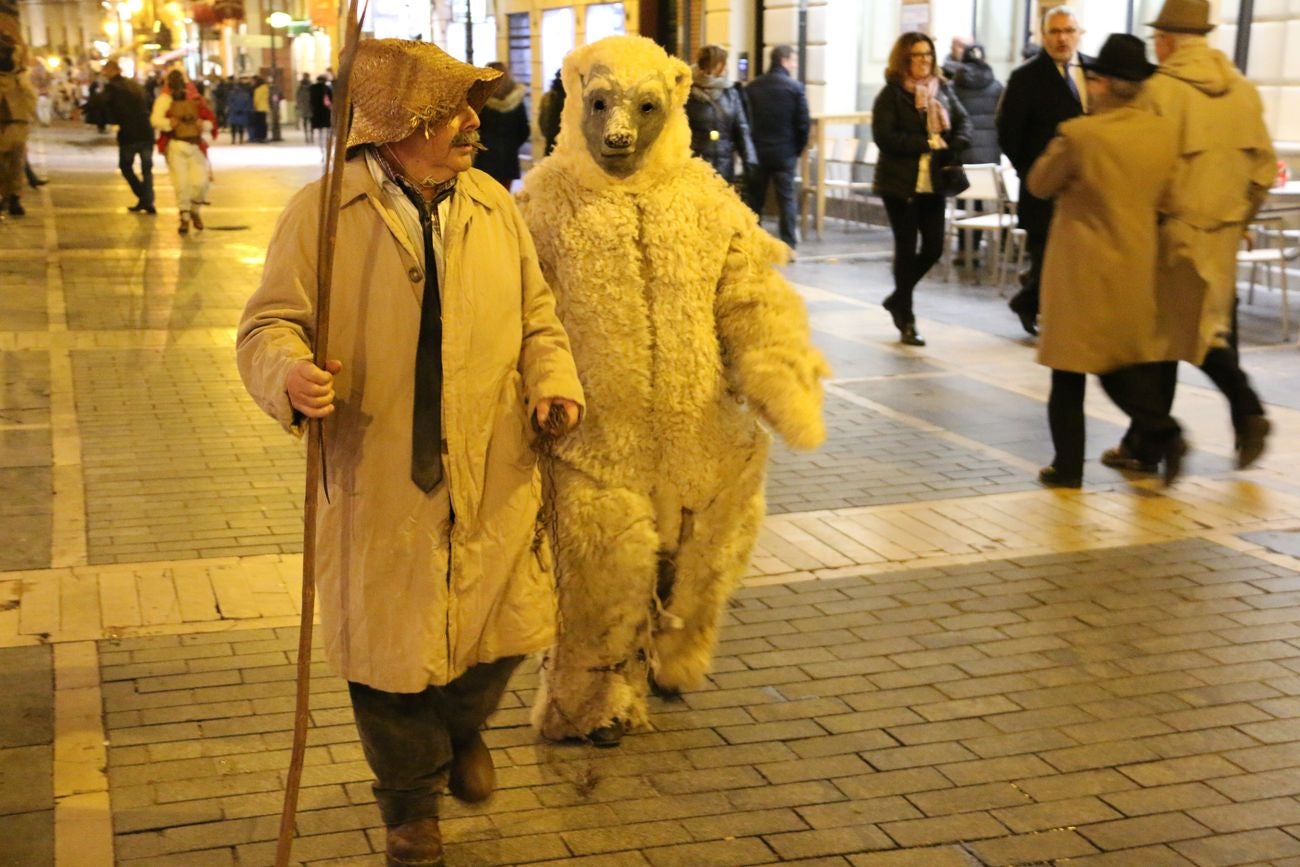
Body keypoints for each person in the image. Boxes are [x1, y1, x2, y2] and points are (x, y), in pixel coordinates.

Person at [236, 40, 584, 867]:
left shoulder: (495, 205)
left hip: (492, 464)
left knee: (503, 630)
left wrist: (554, 381)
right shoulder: (322, 214)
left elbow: (538, 315)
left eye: (469, 108)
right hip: (376, 471)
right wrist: (288, 374)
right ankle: (410, 810)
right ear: (395, 127)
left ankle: (461, 725)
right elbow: (266, 324)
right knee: (386, 653)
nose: (472, 124)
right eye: (450, 112)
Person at [518, 35, 827, 749]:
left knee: (688, 563)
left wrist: (775, 366)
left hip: (699, 431)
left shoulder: (704, 202)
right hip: (593, 434)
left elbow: (750, 291)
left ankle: (663, 655)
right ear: (575, 101)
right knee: (599, 568)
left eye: (643, 110)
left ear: (675, 101)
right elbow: (520, 312)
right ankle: (590, 695)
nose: (619, 131)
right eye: (600, 107)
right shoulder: (544, 207)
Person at [1028, 34, 1185, 488]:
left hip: (1081, 268)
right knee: (1119, 366)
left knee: (1068, 372)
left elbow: (1040, 182)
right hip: (1135, 263)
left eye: (1093, 78)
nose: (1088, 85)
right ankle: (1161, 431)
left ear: (1107, 85)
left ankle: (1068, 467)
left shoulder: (1082, 134)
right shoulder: (1162, 134)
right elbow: (1171, 196)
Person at [871, 31, 972, 347]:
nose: (925, 60)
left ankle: (897, 298)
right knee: (906, 247)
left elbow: (964, 122)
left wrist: (957, 142)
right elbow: (885, 138)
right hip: (899, 184)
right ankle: (907, 319)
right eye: (917, 55)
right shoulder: (890, 95)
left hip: (934, 181)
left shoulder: (942, 90)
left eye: (928, 54)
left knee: (934, 248)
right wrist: (926, 142)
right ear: (904, 59)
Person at [996, 5, 1089, 336]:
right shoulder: (1026, 78)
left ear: (1079, 34)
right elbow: (1008, 132)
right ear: (1043, 36)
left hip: (1085, 188)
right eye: (1054, 31)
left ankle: (1031, 299)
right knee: (1047, 254)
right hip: (1044, 184)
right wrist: (1033, 172)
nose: (1062, 38)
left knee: (1071, 258)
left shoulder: (1093, 72)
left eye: (1068, 31)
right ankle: (1034, 304)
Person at [744, 44, 810, 249]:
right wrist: (796, 149)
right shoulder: (795, 88)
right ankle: (789, 243)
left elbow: (745, 120)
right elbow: (803, 123)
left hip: (758, 152)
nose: (794, 64)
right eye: (793, 60)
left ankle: (752, 242)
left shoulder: (752, 87)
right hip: (784, 153)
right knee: (786, 200)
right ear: (784, 60)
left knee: (755, 200)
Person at [950, 43, 1003, 267]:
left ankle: (964, 250)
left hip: (964, 152)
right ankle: (978, 250)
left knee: (963, 200)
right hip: (988, 156)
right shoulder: (996, 86)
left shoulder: (954, 86)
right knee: (982, 203)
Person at [151, 68, 216, 234]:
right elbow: (155, 119)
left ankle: (194, 209)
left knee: (201, 182)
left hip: (195, 144)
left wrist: (204, 124)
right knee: (181, 183)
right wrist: (168, 123)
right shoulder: (164, 99)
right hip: (176, 144)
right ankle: (185, 216)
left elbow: (208, 117)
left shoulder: (195, 98)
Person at [685, 44, 757, 184]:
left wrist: (750, 160)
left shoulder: (730, 92)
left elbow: (741, 128)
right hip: (694, 166)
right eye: (724, 63)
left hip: (724, 166)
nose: (727, 68)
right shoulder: (686, 91)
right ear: (716, 65)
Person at [100, 59, 156, 215]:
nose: (104, 73)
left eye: (106, 70)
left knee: (126, 167)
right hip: (146, 132)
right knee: (147, 170)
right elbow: (150, 102)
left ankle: (144, 197)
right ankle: (147, 200)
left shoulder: (113, 87)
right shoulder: (135, 86)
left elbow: (101, 103)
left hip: (129, 134)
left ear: (113, 70)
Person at [474, 61, 529, 188]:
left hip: (486, 157)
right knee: (504, 195)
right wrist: (512, 145)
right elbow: (524, 130)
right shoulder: (516, 101)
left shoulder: (482, 101)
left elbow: (475, 128)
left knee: (487, 195)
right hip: (509, 157)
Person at [0, 26, 35, 218]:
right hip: (13, 123)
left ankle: (13, 198)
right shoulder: (19, 78)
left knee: (15, 164)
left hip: (16, 123)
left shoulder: (19, 78)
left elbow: (30, 98)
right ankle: (9, 197)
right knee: (10, 165)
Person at [536, 68, 564, 156]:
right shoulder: (576, 100)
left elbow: (543, 125)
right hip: (567, 150)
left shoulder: (548, 97)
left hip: (551, 146)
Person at [308, 74, 331, 160]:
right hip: (325, 113)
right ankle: (326, 151)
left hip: (316, 113)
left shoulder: (312, 88)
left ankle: (322, 152)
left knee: (320, 133)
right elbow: (331, 100)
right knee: (327, 134)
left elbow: (310, 100)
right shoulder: (327, 88)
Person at [226, 78, 251, 144]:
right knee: (241, 127)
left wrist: (234, 109)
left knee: (233, 127)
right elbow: (248, 104)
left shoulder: (232, 93)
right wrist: (244, 110)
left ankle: (233, 139)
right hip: (242, 113)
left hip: (234, 113)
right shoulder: (246, 94)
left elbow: (229, 103)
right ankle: (240, 139)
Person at [250, 75, 269, 142]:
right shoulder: (266, 88)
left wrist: (254, 106)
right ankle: (264, 137)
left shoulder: (257, 90)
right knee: (263, 123)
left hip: (258, 108)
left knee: (258, 123)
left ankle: (259, 137)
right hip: (265, 107)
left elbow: (256, 100)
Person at [294, 72, 312, 142]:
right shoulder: (302, 87)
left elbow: (297, 96)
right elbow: (297, 96)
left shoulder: (303, 86)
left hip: (306, 106)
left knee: (307, 121)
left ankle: (308, 136)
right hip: (306, 106)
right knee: (306, 121)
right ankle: (307, 136)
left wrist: (298, 104)